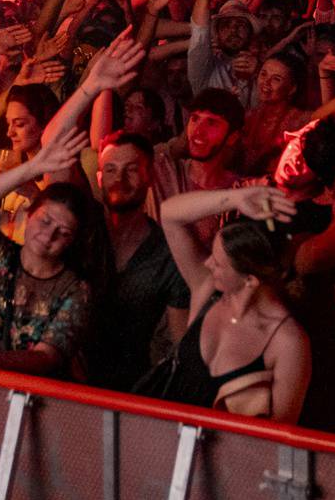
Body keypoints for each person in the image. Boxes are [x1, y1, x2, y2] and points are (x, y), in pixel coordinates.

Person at [141, 184, 311, 422]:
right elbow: (170, 214)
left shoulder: (287, 342)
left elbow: (280, 438)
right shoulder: (207, 288)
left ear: (250, 279)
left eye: (219, 263)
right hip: (162, 445)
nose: (208, 264)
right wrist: (235, 198)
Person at [0, 130, 98, 377]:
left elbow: (46, 357)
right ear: (28, 214)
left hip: (33, 399)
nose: (49, 236)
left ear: (72, 241)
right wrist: (33, 167)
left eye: (63, 232)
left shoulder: (74, 288)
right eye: (45, 221)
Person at [81, 132, 191, 391]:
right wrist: (94, 89)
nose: (119, 179)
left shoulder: (166, 251)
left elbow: (181, 343)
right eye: (110, 170)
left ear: (149, 177)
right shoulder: (82, 230)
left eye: (131, 169)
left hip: (130, 387)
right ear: (99, 178)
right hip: (65, 380)